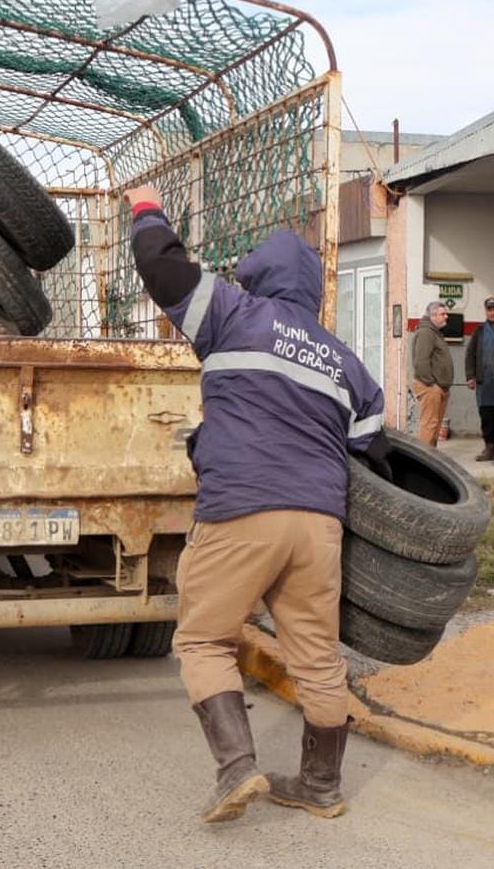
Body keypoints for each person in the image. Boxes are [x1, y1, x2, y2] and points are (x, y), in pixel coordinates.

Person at [125, 184, 389, 823]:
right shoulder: (346, 361)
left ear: (256, 276)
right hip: (319, 523)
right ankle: (321, 786)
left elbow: (161, 267)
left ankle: (237, 770)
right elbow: (375, 457)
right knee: (319, 660)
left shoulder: (231, 312)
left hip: (243, 508)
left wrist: (146, 209)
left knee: (204, 640)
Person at [464, 297, 494, 461]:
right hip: (486, 383)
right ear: (486, 311)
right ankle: (490, 449)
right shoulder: (480, 331)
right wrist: (470, 376)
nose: (493, 312)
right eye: (490, 310)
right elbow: (470, 354)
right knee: (487, 418)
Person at [411, 301, 453, 446]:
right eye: (443, 314)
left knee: (434, 427)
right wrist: (431, 385)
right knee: (428, 426)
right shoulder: (425, 333)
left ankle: (430, 460)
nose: (446, 317)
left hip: (439, 388)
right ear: (433, 315)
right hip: (430, 387)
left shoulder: (434, 333)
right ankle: (421, 463)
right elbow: (421, 361)